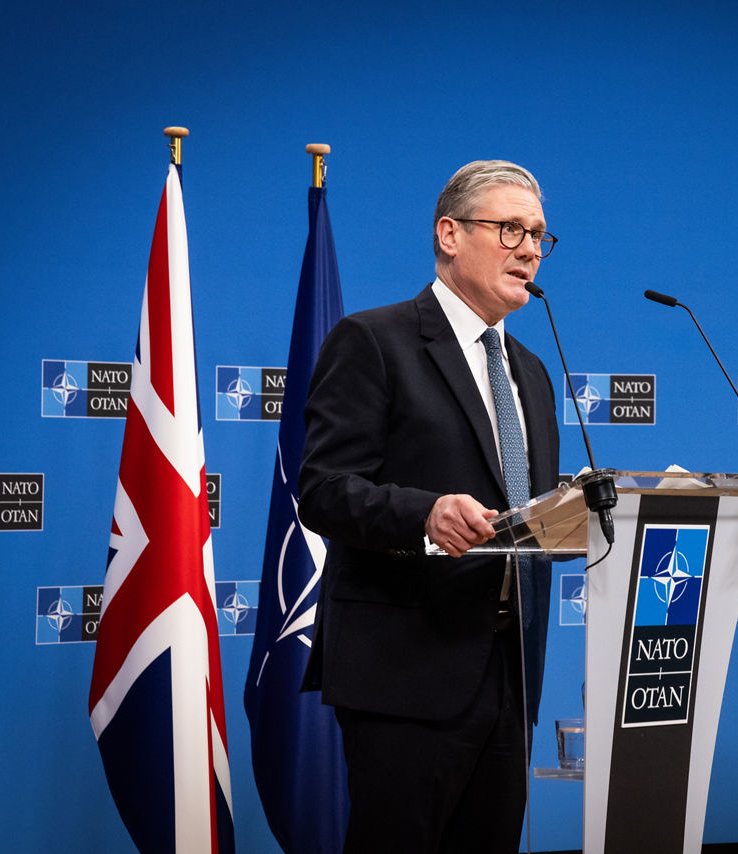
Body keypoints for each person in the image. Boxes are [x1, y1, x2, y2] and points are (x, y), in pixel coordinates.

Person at [298, 160, 561, 853]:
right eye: (510, 230)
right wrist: (424, 514)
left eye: (538, 235)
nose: (530, 249)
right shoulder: (374, 341)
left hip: (509, 673)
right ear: (449, 234)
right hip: (405, 674)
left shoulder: (529, 370)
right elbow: (322, 488)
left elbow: (532, 512)